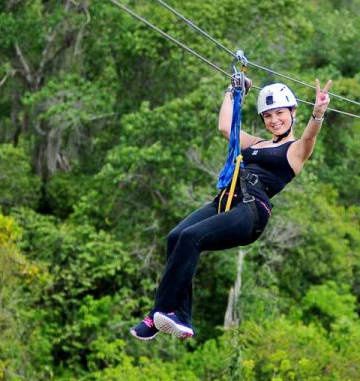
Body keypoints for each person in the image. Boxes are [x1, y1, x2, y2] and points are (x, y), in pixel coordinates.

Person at [131, 78, 333, 340]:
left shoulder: (295, 151)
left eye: (280, 113)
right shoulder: (256, 144)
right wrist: (233, 90)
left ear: (293, 112)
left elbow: (309, 137)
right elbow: (225, 127)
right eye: (268, 115)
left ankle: (165, 314)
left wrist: (317, 114)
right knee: (176, 237)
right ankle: (175, 314)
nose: (274, 120)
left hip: (251, 210)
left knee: (192, 238)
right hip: (225, 201)